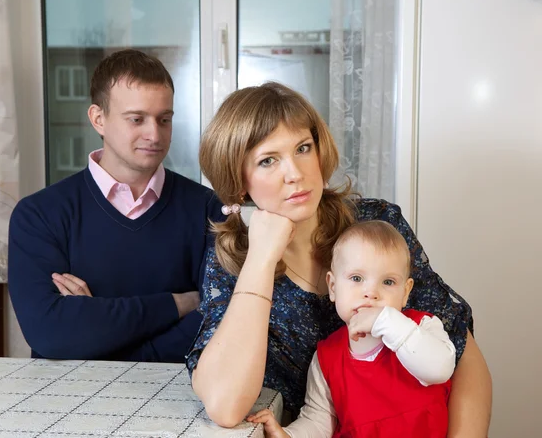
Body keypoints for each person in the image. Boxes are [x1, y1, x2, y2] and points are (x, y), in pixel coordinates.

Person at [187, 82, 492, 435]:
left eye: (303, 148)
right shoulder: (232, 260)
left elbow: (460, 349)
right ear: (238, 181)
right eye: (268, 160)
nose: (295, 173)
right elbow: (225, 406)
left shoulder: (377, 223)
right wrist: (261, 259)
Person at [8, 49, 223, 362]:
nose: (154, 134)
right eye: (137, 119)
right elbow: (52, 333)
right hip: (66, 401)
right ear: (98, 119)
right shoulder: (39, 215)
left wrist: (97, 325)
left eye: (164, 119)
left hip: (175, 399)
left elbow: (218, 324)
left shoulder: (209, 211)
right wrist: (178, 304)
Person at [247, 220, 456, 437]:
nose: (371, 292)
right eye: (357, 278)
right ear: (334, 287)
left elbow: (438, 369)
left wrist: (385, 321)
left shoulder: (421, 327)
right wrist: (287, 435)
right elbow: (318, 421)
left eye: (388, 282)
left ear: (405, 292)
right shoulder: (327, 358)